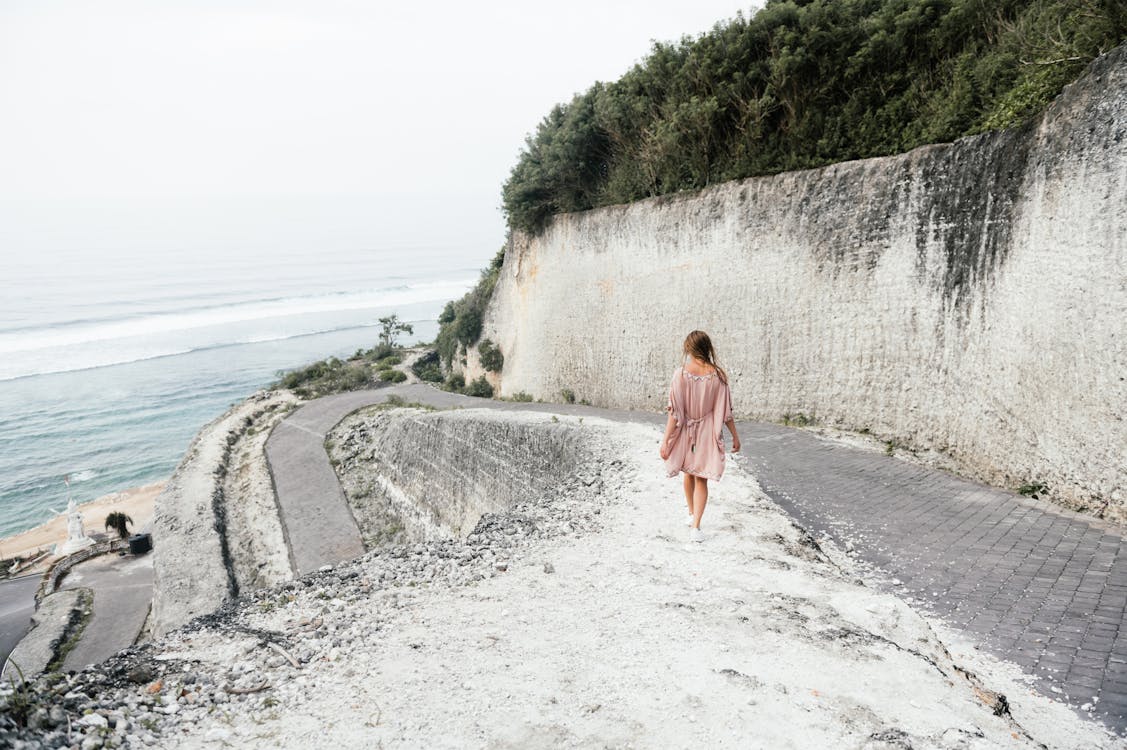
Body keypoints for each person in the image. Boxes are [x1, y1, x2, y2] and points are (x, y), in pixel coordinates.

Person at [659, 330, 741, 543]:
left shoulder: (681, 374)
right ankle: (695, 524)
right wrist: (735, 436)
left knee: (689, 472)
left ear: (689, 348)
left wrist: (666, 440)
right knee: (700, 477)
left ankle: (692, 516)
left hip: (687, 429)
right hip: (707, 431)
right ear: (707, 348)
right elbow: (725, 412)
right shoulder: (718, 376)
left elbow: (674, 413)